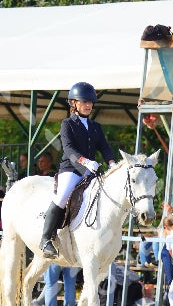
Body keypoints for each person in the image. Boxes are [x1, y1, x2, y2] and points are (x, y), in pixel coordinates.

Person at [40, 81, 116, 258]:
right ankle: (46, 239)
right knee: (63, 195)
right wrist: (86, 162)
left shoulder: (96, 127)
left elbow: (104, 147)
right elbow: (68, 148)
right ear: (74, 103)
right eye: (84, 102)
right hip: (72, 169)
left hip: (92, 170)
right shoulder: (67, 124)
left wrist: (112, 163)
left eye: (90, 102)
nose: (89, 105)